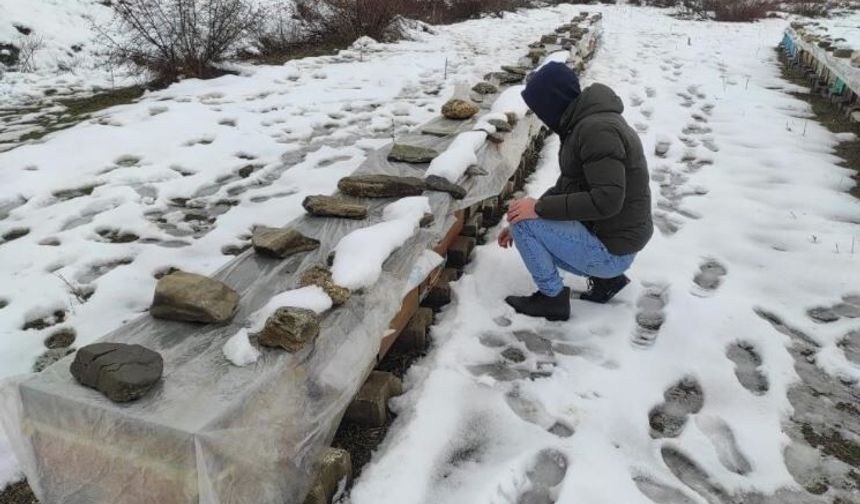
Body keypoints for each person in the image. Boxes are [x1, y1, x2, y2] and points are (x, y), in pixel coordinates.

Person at [498, 62, 653, 321]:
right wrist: (526, 213)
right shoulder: (587, 123)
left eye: (539, 107)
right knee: (522, 217)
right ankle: (607, 282)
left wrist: (534, 211)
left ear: (552, 101)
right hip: (618, 240)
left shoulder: (596, 130)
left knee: (525, 225)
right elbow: (570, 186)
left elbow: (607, 200)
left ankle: (552, 300)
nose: (539, 115)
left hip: (612, 250)